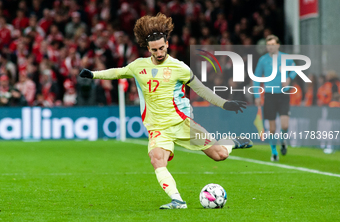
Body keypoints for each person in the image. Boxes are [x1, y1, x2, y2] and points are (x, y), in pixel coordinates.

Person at [79, 13, 251, 209]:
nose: (159, 52)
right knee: (156, 159)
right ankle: (177, 200)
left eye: (161, 48)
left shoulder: (179, 67)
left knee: (219, 155)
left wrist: (224, 103)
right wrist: (93, 74)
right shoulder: (138, 66)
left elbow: (200, 89)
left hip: (181, 124)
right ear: (148, 48)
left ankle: (230, 144)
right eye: (154, 50)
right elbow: (117, 72)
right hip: (158, 128)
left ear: (167, 44)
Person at [253, 35, 297, 161]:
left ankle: (283, 140)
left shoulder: (285, 58)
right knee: (272, 128)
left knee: (284, 125)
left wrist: (289, 78)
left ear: (278, 45)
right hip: (269, 95)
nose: (270, 47)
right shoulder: (263, 60)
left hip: (283, 94)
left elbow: (294, 69)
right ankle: (274, 152)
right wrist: (257, 95)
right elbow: (256, 78)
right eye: (268, 45)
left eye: (273, 44)